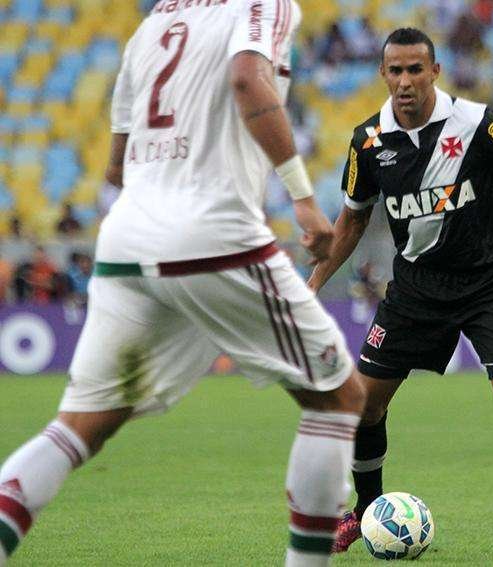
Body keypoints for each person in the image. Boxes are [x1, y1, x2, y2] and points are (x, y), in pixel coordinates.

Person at [0, 3, 366, 567]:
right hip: (214, 232)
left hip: (126, 241)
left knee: (78, 428)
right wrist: (302, 196)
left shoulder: (152, 26)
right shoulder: (262, 4)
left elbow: (115, 169)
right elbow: (246, 75)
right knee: (338, 397)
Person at [308, 28, 493, 558]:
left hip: (488, 285)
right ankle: (366, 511)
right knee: (363, 409)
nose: (405, 81)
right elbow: (352, 222)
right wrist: (313, 284)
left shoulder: (475, 123)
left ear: (435, 72)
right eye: (395, 71)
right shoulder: (368, 141)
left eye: (415, 70)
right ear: (383, 74)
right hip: (415, 292)